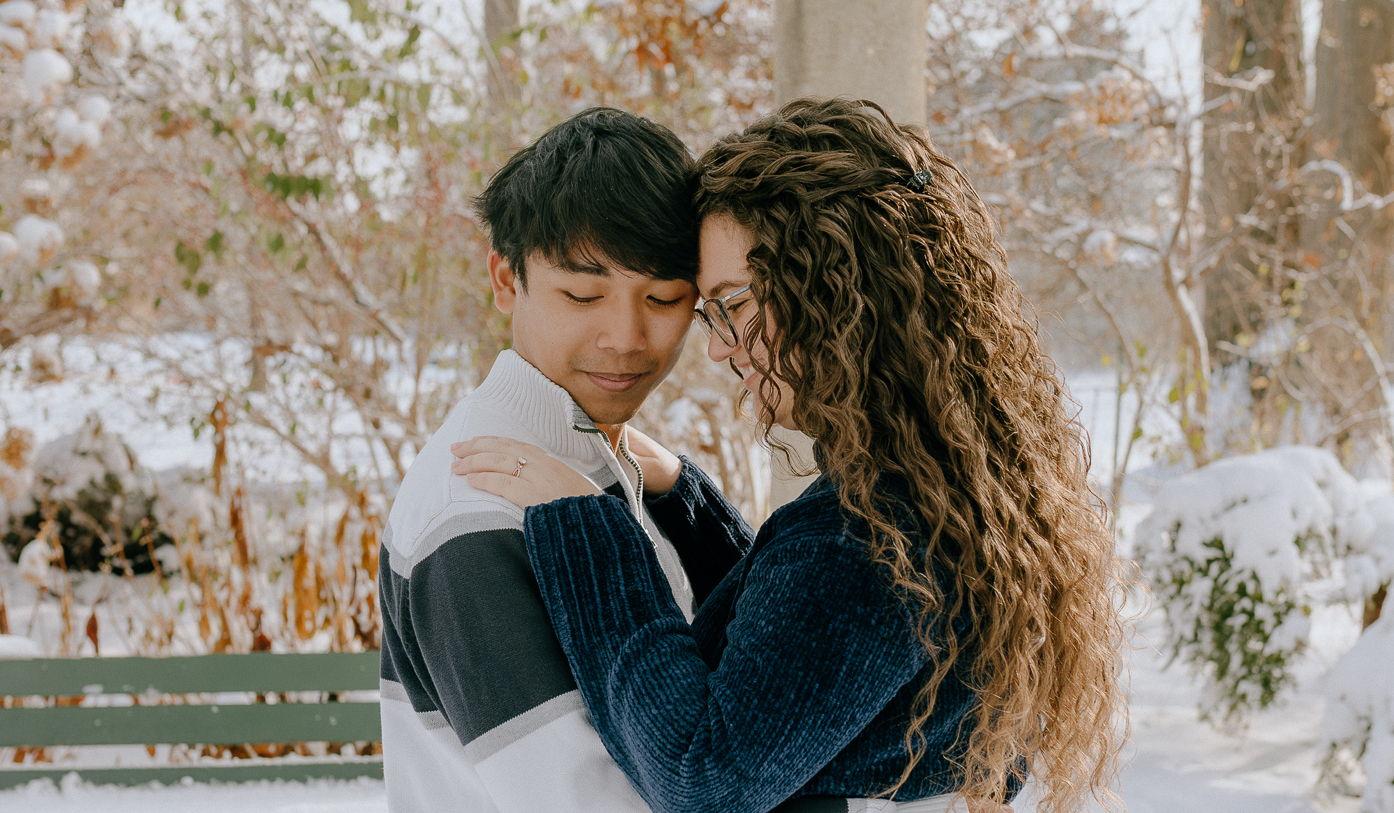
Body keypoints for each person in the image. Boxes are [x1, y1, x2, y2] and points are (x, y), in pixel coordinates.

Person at [453, 98, 1128, 813]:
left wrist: (589, 530)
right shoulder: (941, 486)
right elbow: (797, 670)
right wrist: (687, 503)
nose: (719, 347)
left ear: (833, 291)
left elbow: (703, 775)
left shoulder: (863, 536)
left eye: (736, 305)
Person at [377, 107, 704, 811]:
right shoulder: (476, 507)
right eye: (583, 295)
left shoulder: (604, 462)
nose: (626, 336)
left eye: (664, 297)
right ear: (506, 279)